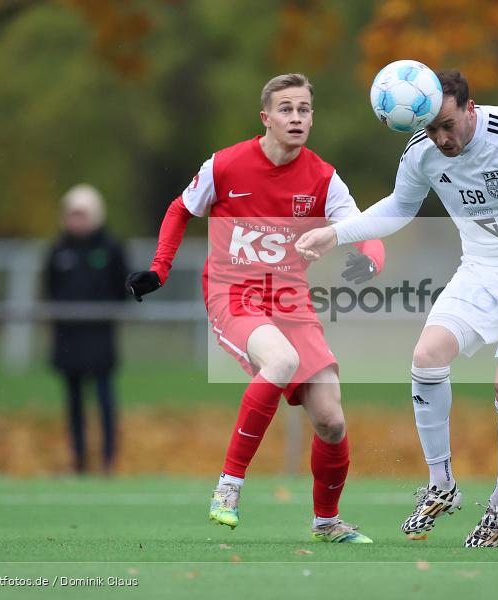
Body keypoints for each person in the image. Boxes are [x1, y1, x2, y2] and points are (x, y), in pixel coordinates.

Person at [296, 70, 498, 547]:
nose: (441, 138)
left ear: (469, 108)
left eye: (448, 125)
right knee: (426, 357)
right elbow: (398, 207)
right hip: (480, 270)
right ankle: (441, 484)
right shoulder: (422, 152)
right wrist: (336, 233)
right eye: (432, 129)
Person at [125, 73, 385, 544]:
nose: (296, 117)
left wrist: (369, 260)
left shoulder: (323, 177)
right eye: (286, 109)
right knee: (281, 361)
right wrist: (160, 269)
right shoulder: (225, 165)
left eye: (304, 109)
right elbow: (181, 209)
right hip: (233, 292)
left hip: (290, 301)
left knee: (331, 420)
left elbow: (366, 228)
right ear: (265, 118)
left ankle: (327, 523)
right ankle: (229, 486)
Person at [44, 184, 130, 474]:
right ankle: (78, 457)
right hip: (68, 339)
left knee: (105, 400)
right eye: (72, 215)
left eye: (82, 215)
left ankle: (109, 458)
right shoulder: (58, 250)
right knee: (74, 403)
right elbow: (50, 290)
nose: (77, 221)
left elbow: (122, 289)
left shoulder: (110, 248)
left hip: (100, 338)